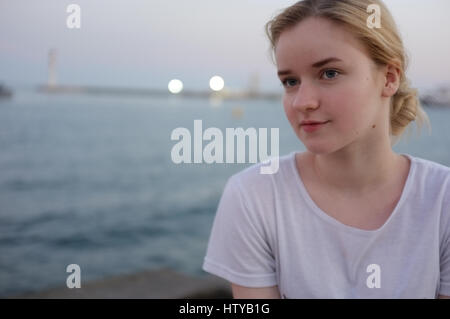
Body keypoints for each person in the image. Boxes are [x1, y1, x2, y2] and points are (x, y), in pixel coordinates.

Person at [202, 0, 450, 299]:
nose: (301, 102)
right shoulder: (254, 196)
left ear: (389, 77)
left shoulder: (442, 201)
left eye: (329, 73)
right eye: (290, 81)